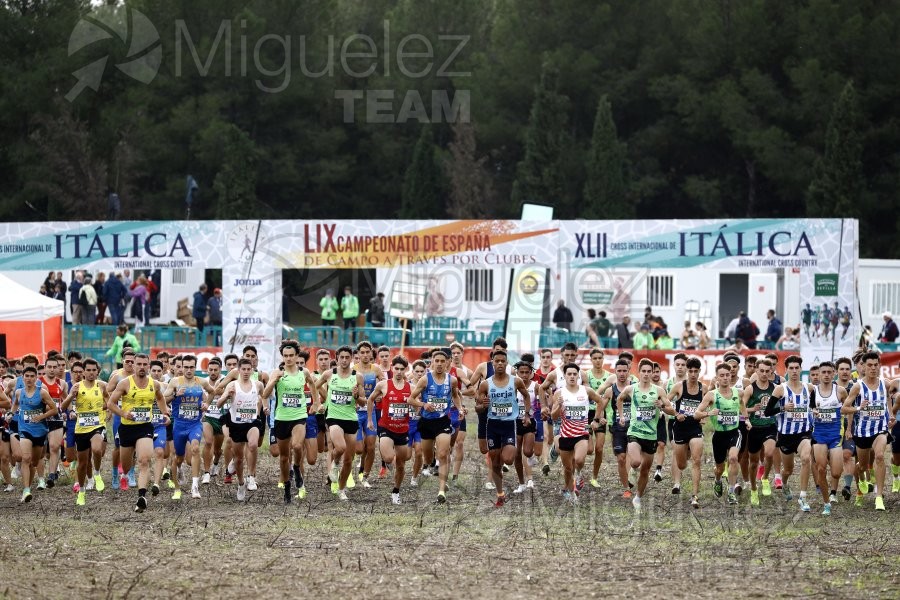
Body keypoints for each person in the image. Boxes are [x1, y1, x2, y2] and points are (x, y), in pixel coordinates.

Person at [107, 353, 168, 513]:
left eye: (144, 364)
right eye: (138, 364)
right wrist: (123, 414)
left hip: (145, 427)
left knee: (144, 460)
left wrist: (165, 413)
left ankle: (142, 496)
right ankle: (125, 472)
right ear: (133, 365)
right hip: (127, 428)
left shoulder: (154, 384)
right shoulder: (125, 383)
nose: (142, 367)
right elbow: (110, 403)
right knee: (126, 467)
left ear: (148, 365)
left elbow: (161, 398)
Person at [262, 341, 320, 504]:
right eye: (285, 356)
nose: (288, 359)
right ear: (283, 357)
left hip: (299, 416)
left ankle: (296, 467)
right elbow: (265, 394)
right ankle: (287, 486)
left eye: (291, 355)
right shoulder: (277, 372)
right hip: (281, 418)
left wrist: (316, 403)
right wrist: (274, 381)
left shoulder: (304, 372)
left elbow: (312, 385)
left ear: (296, 356)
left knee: (296, 446)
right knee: (283, 457)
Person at [614, 358, 676, 510]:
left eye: (649, 371)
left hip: (651, 435)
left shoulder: (659, 391)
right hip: (634, 431)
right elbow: (619, 399)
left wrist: (661, 406)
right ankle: (632, 472)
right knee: (635, 462)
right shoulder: (631, 389)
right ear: (639, 373)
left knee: (646, 469)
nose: (647, 374)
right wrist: (622, 416)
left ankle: (638, 497)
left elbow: (671, 410)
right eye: (644, 371)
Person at [476, 349, 531, 507]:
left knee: (508, 459)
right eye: (497, 361)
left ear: (507, 363)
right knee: (495, 462)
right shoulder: (486, 384)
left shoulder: (516, 381)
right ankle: (500, 494)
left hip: (509, 425)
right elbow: (478, 408)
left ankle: (504, 465)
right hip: (492, 425)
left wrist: (526, 414)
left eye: (503, 361)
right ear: (492, 363)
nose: (500, 363)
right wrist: (482, 405)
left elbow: (526, 396)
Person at [408, 349, 463, 504]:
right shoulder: (425, 379)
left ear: (447, 363)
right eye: (436, 361)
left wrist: (459, 408)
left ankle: (441, 490)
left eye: (442, 361)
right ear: (432, 362)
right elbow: (410, 400)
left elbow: (455, 395)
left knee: (443, 453)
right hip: (426, 422)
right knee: (428, 457)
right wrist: (423, 404)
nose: (439, 364)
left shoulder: (451, 380)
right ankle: (431, 465)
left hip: (443, 421)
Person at [841, 351, 894, 511]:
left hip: (880, 429)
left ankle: (879, 496)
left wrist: (891, 414)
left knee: (879, 456)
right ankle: (861, 480)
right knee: (862, 466)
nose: (872, 368)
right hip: (862, 433)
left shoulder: (885, 384)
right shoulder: (858, 386)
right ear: (863, 366)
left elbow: (889, 399)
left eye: (875, 365)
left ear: (879, 366)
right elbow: (844, 408)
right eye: (869, 365)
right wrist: (858, 408)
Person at [764, 355, 816, 512]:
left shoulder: (809, 388)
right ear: (786, 370)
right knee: (788, 470)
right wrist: (783, 408)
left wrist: (815, 411)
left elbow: (812, 407)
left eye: (797, 368)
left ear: (801, 369)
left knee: (806, 459)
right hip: (786, 435)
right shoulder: (780, 389)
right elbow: (767, 412)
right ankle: (785, 483)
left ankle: (802, 497)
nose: (794, 371)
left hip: (804, 433)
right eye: (791, 368)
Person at [316, 345, 365, 501]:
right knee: (341, 447)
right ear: (336, 358)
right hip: (333, 416)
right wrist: (318, 403)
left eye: (347, 357)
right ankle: (335, 464)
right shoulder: (329, 374)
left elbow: (363, 402)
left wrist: (357, 396)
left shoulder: (358, 377)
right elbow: (313, 387)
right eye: (341, 357)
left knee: (349, 459)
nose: (344, 360)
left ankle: (341, 489)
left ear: (351, 358)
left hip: (350, 417)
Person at [696, 363, 750, 505]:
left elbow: (742, 406)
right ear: (717, 378)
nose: (726, 378)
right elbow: (696, 413)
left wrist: (747, 420)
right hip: (719, 435)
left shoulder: (738, 393)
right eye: (722, 375)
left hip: (735, 432)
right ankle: (718, 480)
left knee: (733, 459)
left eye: (728, 375)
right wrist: (708, 413)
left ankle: (731, 492)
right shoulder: (711, 395)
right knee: (719, 468)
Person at [549, 363, 602, 503]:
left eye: (574, 374)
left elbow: (600, 401)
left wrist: (596, 419)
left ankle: (578, 475)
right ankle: (571, 493)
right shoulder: (559, 393)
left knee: (579, 460)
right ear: (565, 376)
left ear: (578, 375)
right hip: (565, 434)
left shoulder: (586, 390)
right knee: (567, 468)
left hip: (581, 432)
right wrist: (558, 406)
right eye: (569, 374)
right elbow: (553, 417)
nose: (572, 376)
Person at [164, 354, 214, 500]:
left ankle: (195, 487)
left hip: (194, 424)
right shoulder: (175, 381)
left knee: (195, 448)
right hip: (179, 425)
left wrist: (206, 404)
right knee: (177, 458)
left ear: (195, 367)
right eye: (186, 367)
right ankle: (177, 488)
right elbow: (163, 398)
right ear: (181, 367)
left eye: (192, 367)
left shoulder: (201, 382)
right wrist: (175, 394)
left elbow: (212, 391)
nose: (189, 370)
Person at [60, 358, 108, 505]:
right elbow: (63, 407)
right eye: (88, 370)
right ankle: (81, 491)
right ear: (84, 371)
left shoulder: (101, 386)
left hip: (98, 425)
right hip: (81, 428)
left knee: (97, 450)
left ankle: (98, 473)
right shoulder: (76, 386)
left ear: (97, 372)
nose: (91, 373)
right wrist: (70, 396)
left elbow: (109, 402)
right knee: (82, 463)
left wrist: (103, 409)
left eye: (94, 370)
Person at [367, 356, 412, 504]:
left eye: (401, 369)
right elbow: (370, 399)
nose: (398, 372)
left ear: (405, 370)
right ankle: (387, 463)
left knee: (401, 464)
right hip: (386, 427)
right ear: (392, 369)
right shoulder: (383, 385)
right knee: (388, 458)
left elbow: (416, 403)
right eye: (396, 368)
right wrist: (369, 420)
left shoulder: (410, 387)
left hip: (403, 430)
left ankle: (396, 491)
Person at [217, 359, 265, 502]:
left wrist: (264, 407)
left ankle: (251, 476)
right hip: (236, 424)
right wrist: (227, 395)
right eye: (243, 369)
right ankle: (241, 483)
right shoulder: (233, 385)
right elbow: (219, 403)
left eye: (248, 369)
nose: (245, 372)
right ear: (239, 370)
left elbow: (264, 396)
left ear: (252, 370)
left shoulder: (258, 384)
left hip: (252, 422)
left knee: (253, 445)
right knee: (238, 459)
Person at [11, 365, 57, 503]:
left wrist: (41, 417)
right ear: (23, 377)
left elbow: (54, 410)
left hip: (40, 431)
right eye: (27, 376)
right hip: (24, 429)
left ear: (36, 378)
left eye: (32, 376)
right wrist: (10, 414)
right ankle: (26, 490)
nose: (29, 379)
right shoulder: (19, 392)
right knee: (25, 458)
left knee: (34, 461)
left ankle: (28, 486)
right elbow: (15, 405)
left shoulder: (42, 392)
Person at [667, 356, 706, 508]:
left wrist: (704, 416)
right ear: (687, 372)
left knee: (696, 461)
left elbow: (706, 406)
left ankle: (695, 496)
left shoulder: (703, 388)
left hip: (695, 428)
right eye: (691, 371)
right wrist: (676, 414)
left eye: (696, 371)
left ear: (700, 372)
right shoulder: (679, 387)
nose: (693, 374)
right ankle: (685, 453)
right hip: (680, 428)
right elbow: (666, 403)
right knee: (682, 464)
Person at [811, 361, 847, 515]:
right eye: (823, 372)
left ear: (834, 374)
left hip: (835, 434)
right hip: (819, 434)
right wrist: (813, 413)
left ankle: (833, 491)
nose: (826, 375)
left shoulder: (840, 391)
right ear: (818, 374)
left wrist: (850, 428)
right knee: (820, 468)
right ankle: (826, 503)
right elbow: (808, 410)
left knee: (836, 473)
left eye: (829, 372)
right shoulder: (812, 391)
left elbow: (848, 409)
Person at [743, 359, 778, 506]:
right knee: (753, 462)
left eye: (767, 371)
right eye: (761, 371)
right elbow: (742, 407)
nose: (764, 374)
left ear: (771, 372)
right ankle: (753, 489)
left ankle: (765, 478)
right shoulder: (750, 389)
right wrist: (751, 413)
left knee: (769, 453)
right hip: (754, 428)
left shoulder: (776, 388)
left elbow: (781, 405)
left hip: (769, 426)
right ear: (756, 371)